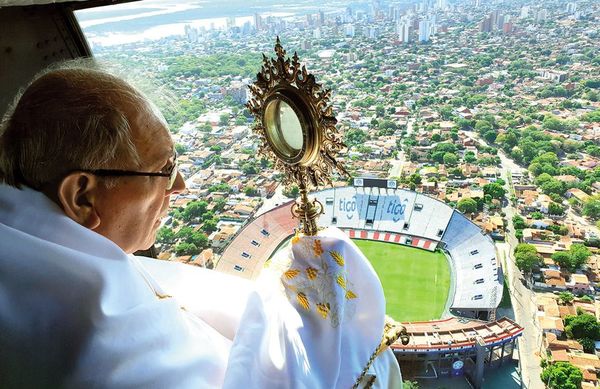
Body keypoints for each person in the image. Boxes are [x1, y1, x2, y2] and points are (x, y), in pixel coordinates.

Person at [0, 62, 401, 388]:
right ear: (83, 197)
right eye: (163, 169)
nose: (180, 186)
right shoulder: (100, 352)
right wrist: (337, 327)